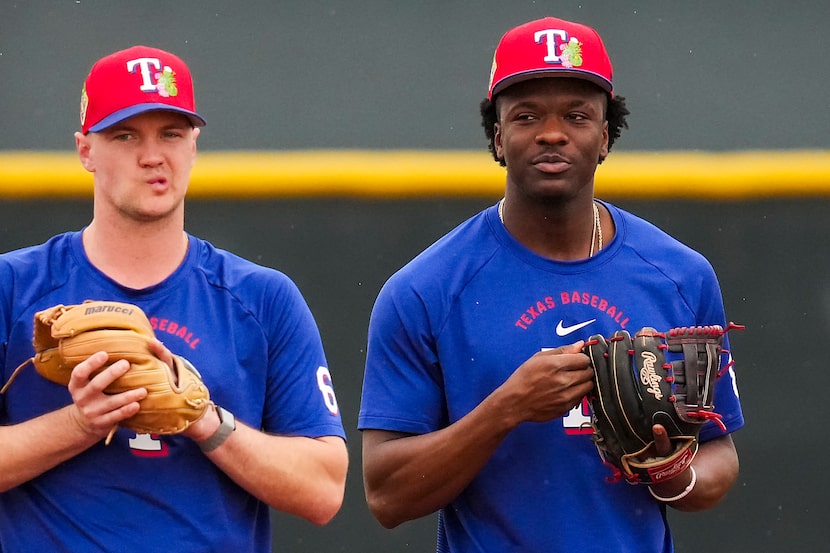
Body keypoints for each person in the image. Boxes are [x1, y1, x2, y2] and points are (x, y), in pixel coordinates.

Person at [358, 16, 743, 552]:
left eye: (577, 115)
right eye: (527, 115)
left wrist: (674, 472)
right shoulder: (425, 289)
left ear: (605, 136)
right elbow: (387, 496)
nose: (552, 132)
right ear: (498, 136)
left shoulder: (680, 275)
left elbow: (719, 455)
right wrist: (507, 407)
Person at [0, 45, 348, 552]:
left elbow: (323, 491)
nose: (152, 155)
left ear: (194, 145)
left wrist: (203, 418)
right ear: (85, 150)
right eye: (125, 135)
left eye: (171, 133)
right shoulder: (14, 285)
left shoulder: (263, 297)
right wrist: (80, 422)